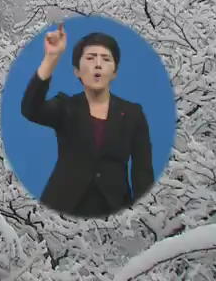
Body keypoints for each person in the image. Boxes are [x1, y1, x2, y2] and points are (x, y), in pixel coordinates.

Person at [20, 23, 155, 217]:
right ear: (77, 70)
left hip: (114, 209)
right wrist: (51, 58)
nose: (98, 64)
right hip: (63, 207)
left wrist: (142, 213)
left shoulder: (133, 113)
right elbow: (30, 109)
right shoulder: (65, 107)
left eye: (106, 59)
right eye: (90, 58)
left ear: (115, 71)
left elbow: (143, 171)